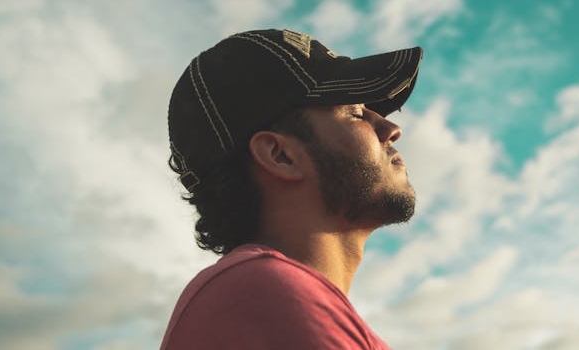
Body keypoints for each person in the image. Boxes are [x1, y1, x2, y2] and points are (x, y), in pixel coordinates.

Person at [160, 29, 422, 349]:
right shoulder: (261, 293)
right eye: (355, 113)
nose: (391, 129)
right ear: (281, 156)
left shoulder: (266, 299)